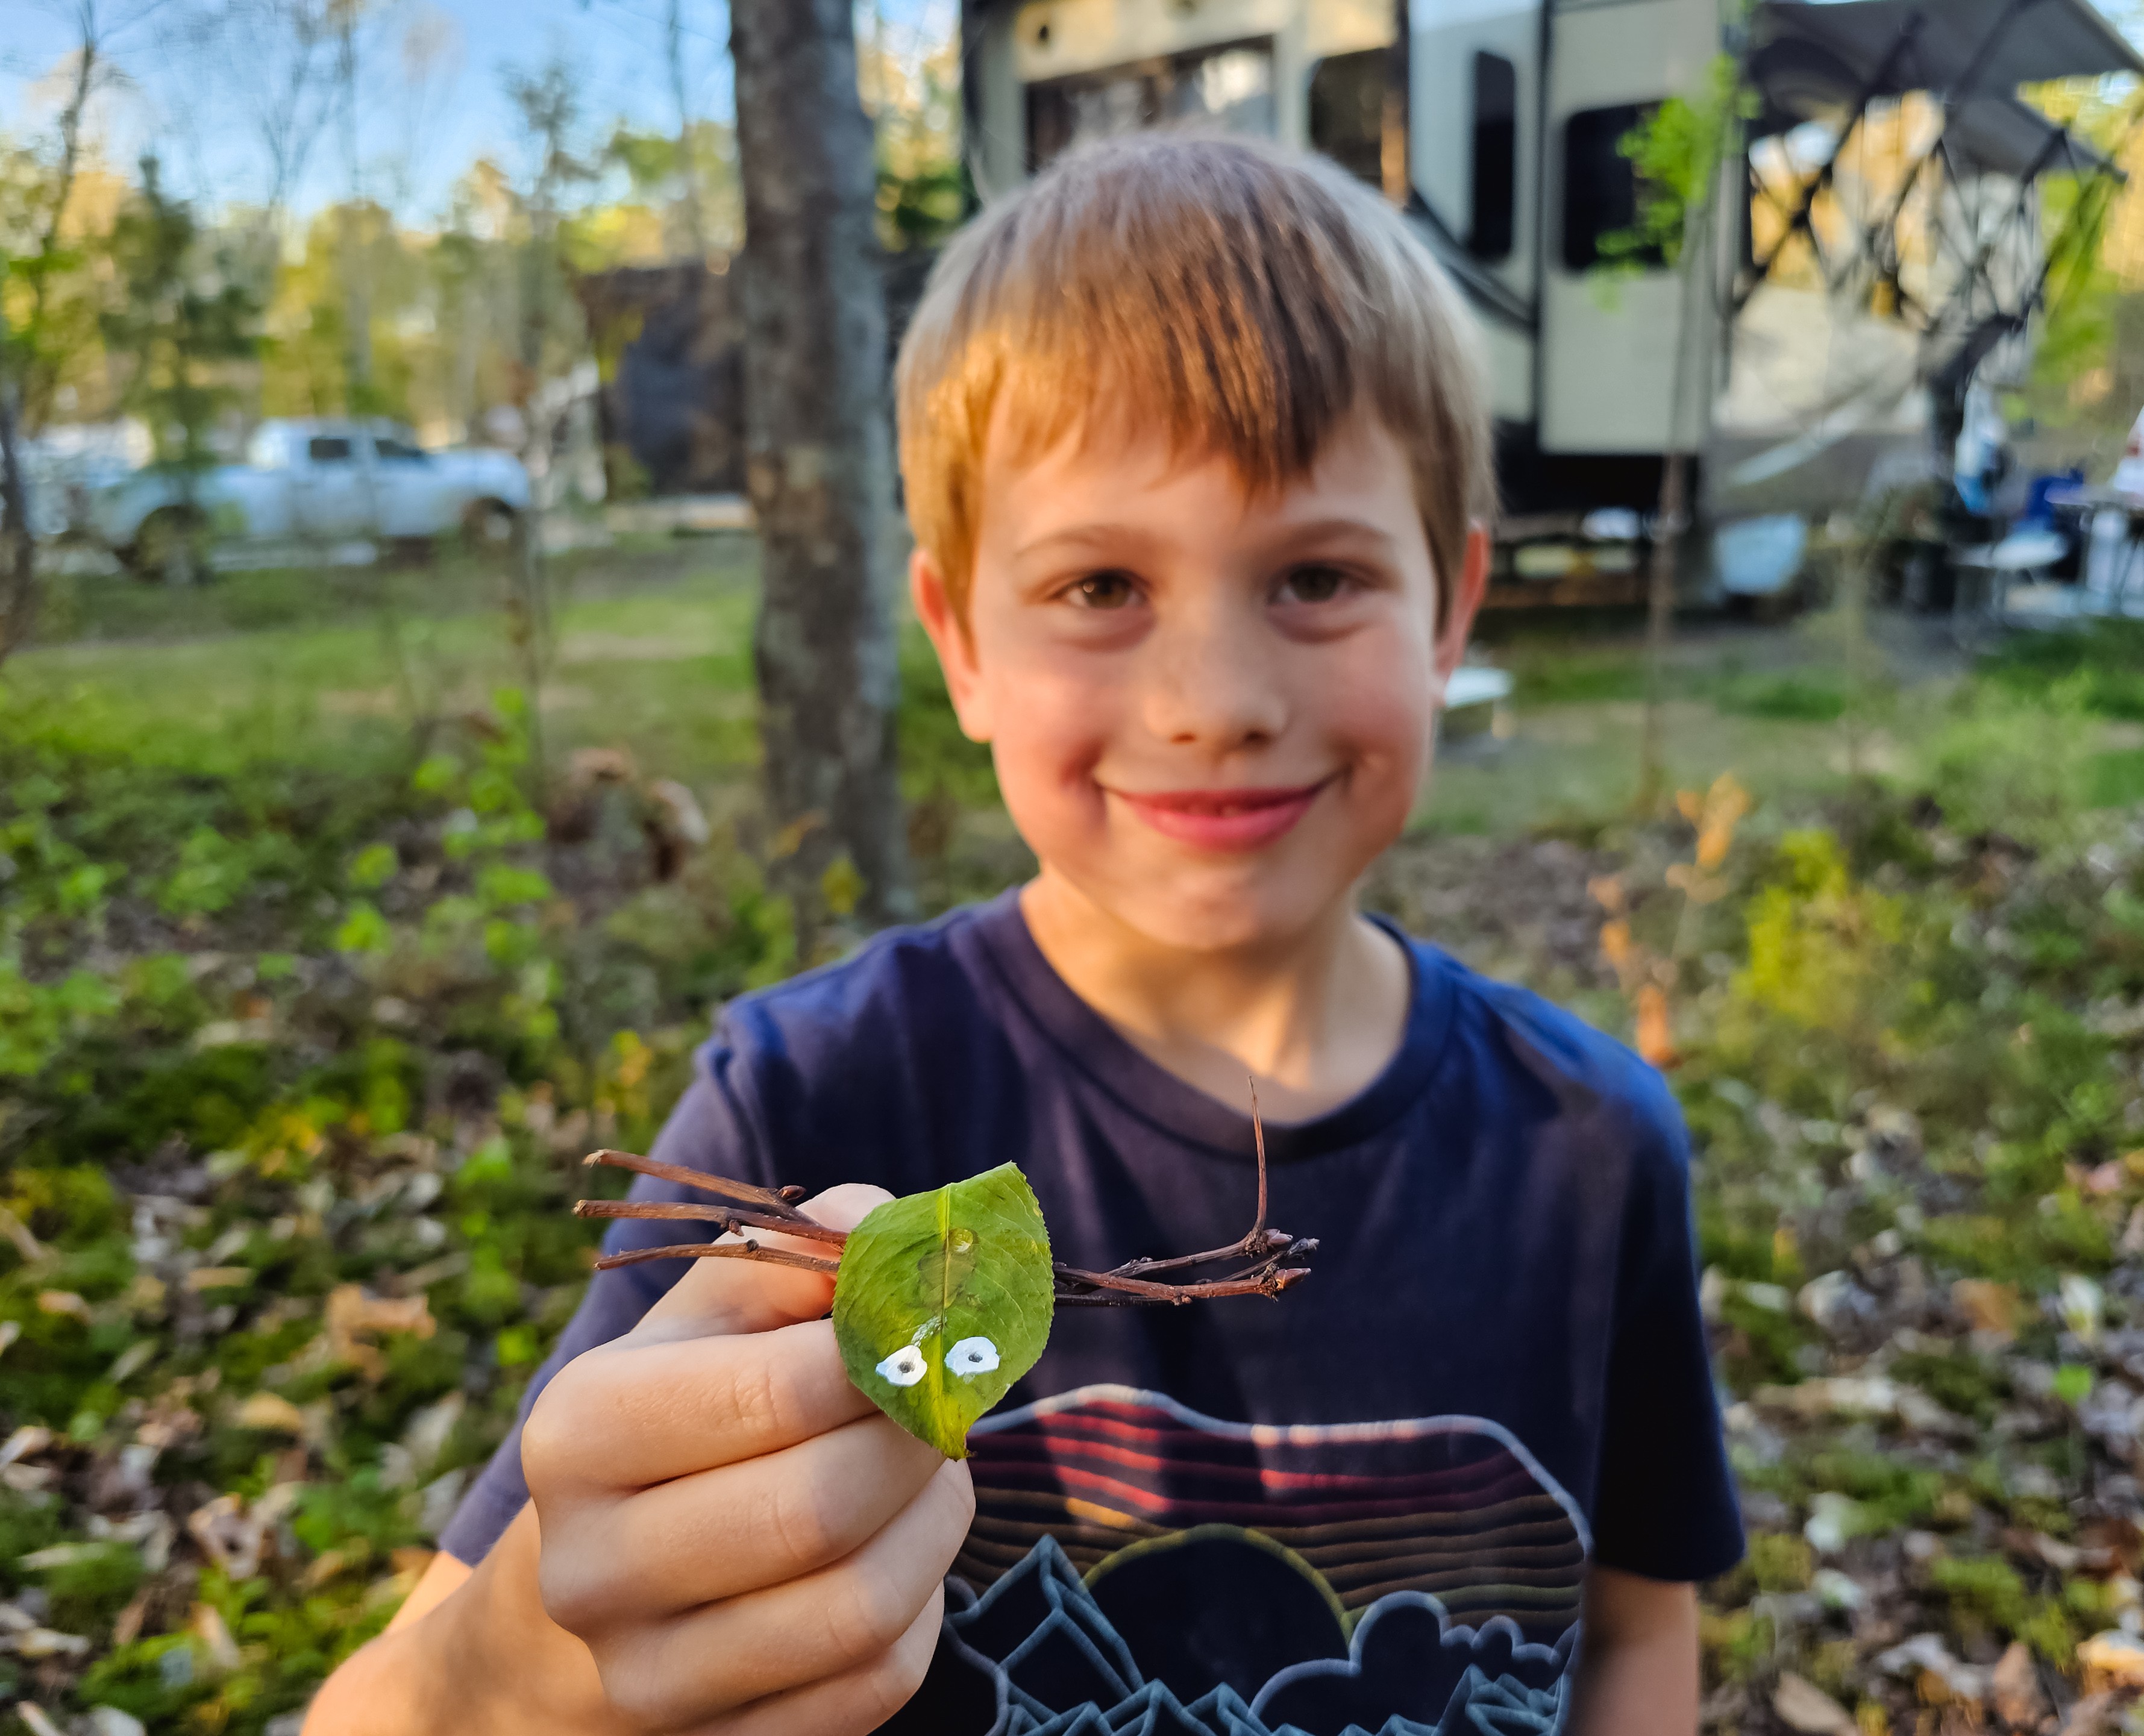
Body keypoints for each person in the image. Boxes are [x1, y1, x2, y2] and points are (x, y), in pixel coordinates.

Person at [307, 133, 1743, 1736]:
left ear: (1452, 610)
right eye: (1101, 586)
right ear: (959, 639)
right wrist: (516, 1671)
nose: (1215, 705)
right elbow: (386, 1711)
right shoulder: (811, 1101)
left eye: (1318, 576)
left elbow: (1629, 1637)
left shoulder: (1594, 1153)